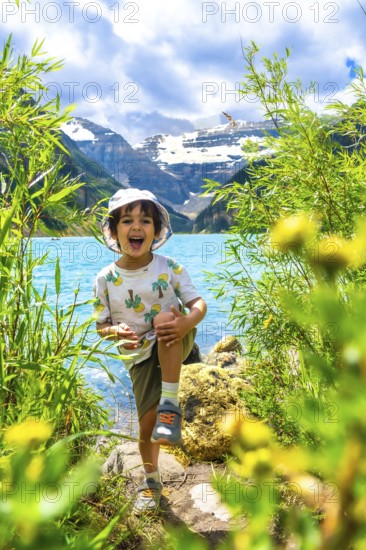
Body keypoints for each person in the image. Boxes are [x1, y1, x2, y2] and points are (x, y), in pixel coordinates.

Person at [93, 188, 207, 513]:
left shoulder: (169, 267)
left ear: (156, 231)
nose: (136, 226)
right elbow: (100, 326)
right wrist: (116, 331)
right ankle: (152, 483)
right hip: (139, 358)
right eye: (127, 220)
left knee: (164, 316)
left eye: (145, 220)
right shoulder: (105, 279)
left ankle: (171, 403)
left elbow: (198, 303)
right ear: (114, 231)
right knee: (146, 427)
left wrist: (188, 323)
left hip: (175, 336)